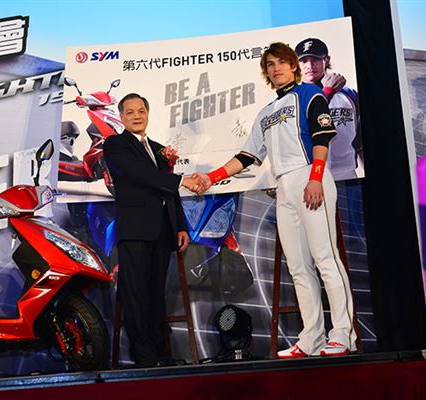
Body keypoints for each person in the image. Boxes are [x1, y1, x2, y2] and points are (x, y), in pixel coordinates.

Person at [194, 43, 356, 358]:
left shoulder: (310, 94)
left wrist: (315, 177)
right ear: (266, 72)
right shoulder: (265, 112)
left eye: (282, 62)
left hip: (310, 175)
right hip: (283, 185)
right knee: (298, 267)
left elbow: (322, 137)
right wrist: (210, 178)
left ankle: (342, 335)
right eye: (270, 64)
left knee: (326, 258)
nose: (276, 68)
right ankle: (312, 338)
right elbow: (247, 156)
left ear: (293, 66)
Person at [103, 93, 202, 367]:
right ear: (121, 117)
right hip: (135, 230)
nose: (137, 116)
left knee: (157, 294)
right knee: (136, 294)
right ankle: (144, 357)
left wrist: (179, 225)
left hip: (162, 230)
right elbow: (138, 174)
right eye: (130, 112)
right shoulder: (115, 145)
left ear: (148, 113)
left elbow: (168, 191)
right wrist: (182, 180)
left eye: (141, 111)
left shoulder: (158, 149)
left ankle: (161, 354)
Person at [295, 38, 362, 180]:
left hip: (347, 177)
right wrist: (328, 91)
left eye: (315, 59)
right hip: (309, 178)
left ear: (326, 60)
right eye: (303, 61)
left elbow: (360, 142)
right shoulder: (293, 97)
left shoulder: (349, 94)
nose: (309, 65)